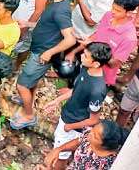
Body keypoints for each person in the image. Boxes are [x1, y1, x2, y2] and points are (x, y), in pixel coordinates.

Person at [11, 0, 77, 129]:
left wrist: (49, 53)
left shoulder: (61, 11)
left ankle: (28, 116)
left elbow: (70, 39)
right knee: (30, 80)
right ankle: (26, 100)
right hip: (39, 49)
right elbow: (48, 27)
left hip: (42, 53)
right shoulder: (56, 2)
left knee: (21, 85)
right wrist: (28, 23)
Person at [43, 42, 111, 170]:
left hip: (73, 123)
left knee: (61, 156)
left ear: (96, 63)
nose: (81, 57)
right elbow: (76, 89)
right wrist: (57, 100)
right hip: (68, 116)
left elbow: (94, 120)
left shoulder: (97, 90)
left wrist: (70, 126)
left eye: (85, 56)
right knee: (61, 149)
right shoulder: (86, 68)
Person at [65, 0, 139, 86]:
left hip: (99, 78)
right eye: (113, 7)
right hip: (87, 64)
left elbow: (113, 63)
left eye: (118, 10)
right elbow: (95, 37)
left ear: (129, 13)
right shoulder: (108, 16)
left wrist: (93, 49)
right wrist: (73, 52)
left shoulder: (129, 38)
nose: (113, 11)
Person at [40, 120, 129, 170]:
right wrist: (58, 149)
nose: (89, 133)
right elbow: (79, 141)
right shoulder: (89, 136)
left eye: (95, 136)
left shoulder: (109, 165)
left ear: (105, 145)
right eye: (93, 129)